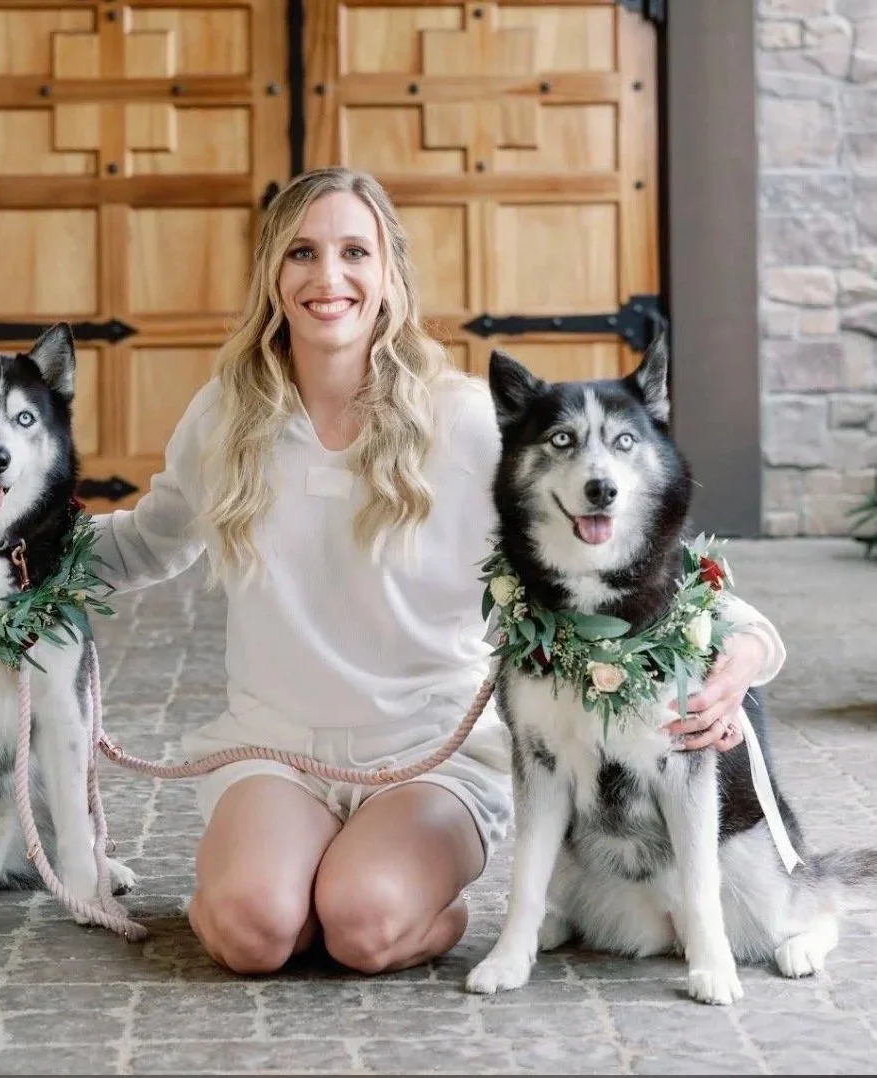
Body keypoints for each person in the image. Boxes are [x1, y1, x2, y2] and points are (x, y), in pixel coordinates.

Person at [89, 167, 786, 977]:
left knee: (361, 927)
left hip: (430, 754)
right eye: (302, 253)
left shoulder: (460, 420)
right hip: (273, 748)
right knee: (253, 934)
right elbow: (145, 541)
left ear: (389, 275)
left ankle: (405, 902)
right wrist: (2, 551)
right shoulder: (225, 416)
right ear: (272, 275)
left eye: (356, 251)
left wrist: (743, 650)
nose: (329, 277)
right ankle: (287, 879)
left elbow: (629, 554)